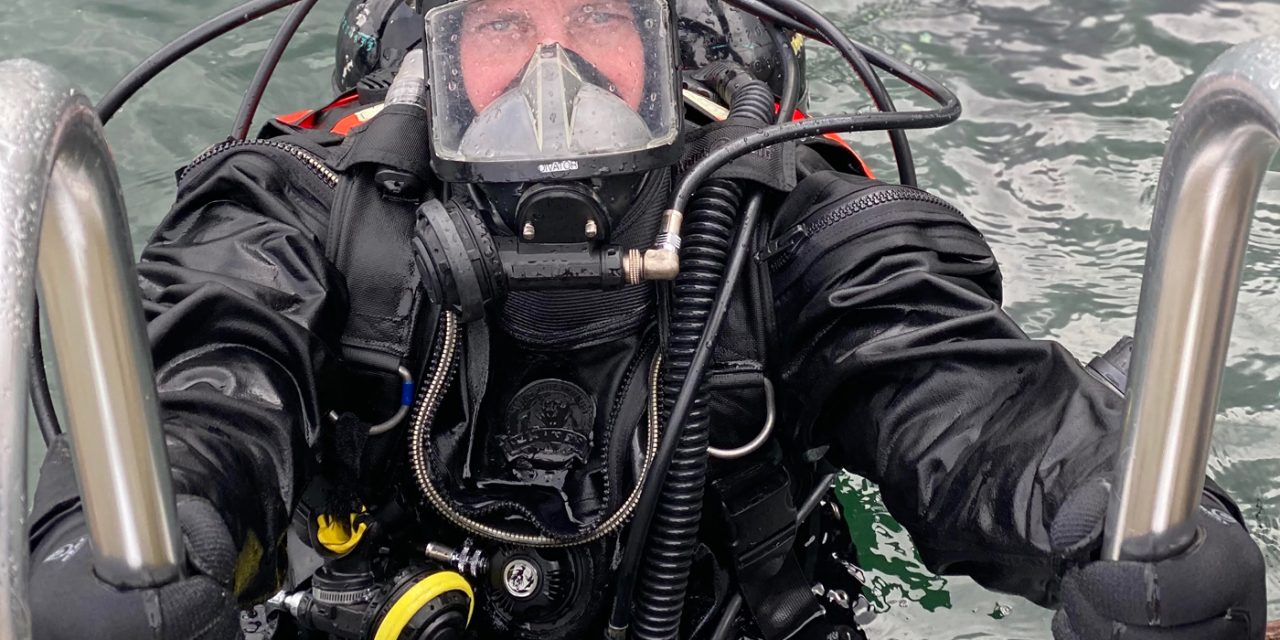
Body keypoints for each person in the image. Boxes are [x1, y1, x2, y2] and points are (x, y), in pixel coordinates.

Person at [26, 0, 1267, 639]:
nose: (548, 77)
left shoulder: (784, 218)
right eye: (506, 27)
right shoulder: (309, 206)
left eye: (596, 28)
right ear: (435, 62)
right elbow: (208, 358)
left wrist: (1120, 514)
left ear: (665, 48)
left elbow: (950, 380)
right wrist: (143, 528)